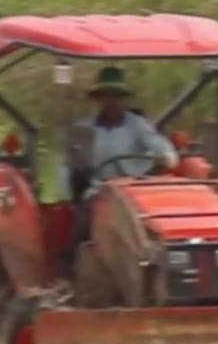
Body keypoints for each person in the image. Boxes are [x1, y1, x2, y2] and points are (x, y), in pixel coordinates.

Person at [64, 66, 179, 241]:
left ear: (122, 98)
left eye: (115, 96)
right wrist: (69, 191)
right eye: (106, 95)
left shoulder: (138, 125)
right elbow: (70, 167)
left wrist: (167, 157)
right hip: (101, 189)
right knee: (86, 218)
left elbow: (164, 149)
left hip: (135, 189)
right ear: (99, 98)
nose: (111, 101)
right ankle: (79, 251)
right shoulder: (84, 129)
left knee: (155, 219)